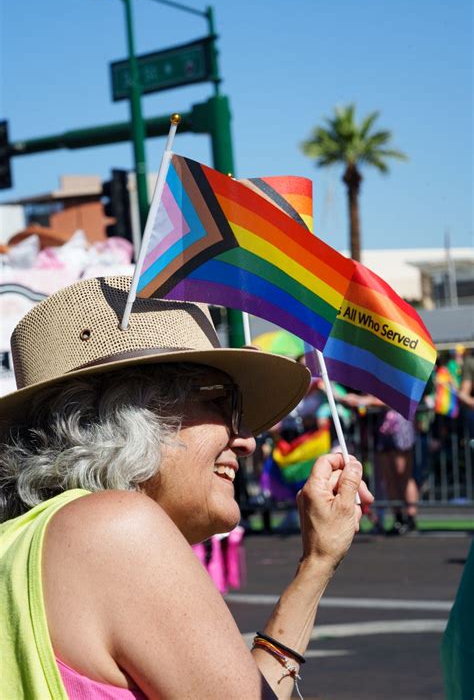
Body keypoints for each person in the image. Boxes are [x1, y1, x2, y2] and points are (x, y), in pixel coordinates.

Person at [0, 275, 373, 700]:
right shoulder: (113, 529)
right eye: (221, 402)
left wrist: (317, 563)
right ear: (129, 413)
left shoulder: (25, 546)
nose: (248, 439)